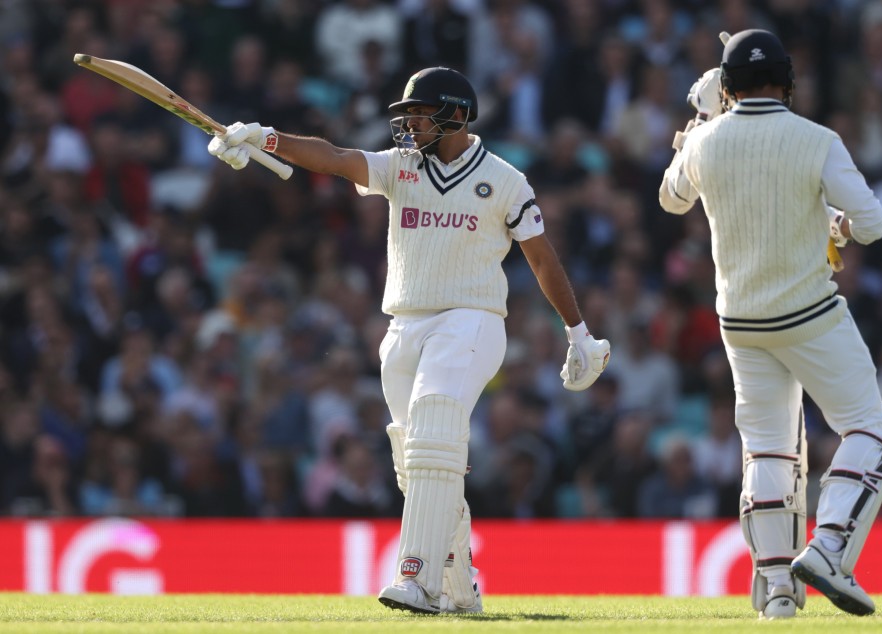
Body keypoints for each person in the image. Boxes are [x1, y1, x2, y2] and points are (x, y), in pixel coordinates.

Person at [208, 66, 610, 614]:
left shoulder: (506, 180)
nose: (411, 124)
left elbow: (540, 258)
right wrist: (265, 138)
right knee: (416, 461)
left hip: (472, 318)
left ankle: (415, 578)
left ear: (457, 116)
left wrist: (578, 332)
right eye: (409, 114)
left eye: (421, 113)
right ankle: (459, 582)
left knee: (435, 430)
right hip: (404, 325)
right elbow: (334, 156)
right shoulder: (401, 167)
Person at [659, 29, 882, 619]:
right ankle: (827, 548)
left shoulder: (704, 142)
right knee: (873, 428)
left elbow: (671, 198)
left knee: (769, 452)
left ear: (726, 87)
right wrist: (836, 228)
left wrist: (700, 116)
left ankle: (777, 592)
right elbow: (872, 224)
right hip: (810, 314)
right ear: (788, 82)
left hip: (740, 322)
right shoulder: (817, 139)